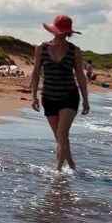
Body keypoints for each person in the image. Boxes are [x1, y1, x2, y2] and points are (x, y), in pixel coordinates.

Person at [29, 14, 90, 172]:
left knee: (62, 133)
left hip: (69, 96)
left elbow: (80, 76)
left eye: (62, 32)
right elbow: (35, 73)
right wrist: (33, 96)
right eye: (57, 31)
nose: (59, 34)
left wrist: (85, 100)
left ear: (68, 33)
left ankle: (57, 169)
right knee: (59, 136)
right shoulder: (41, 48)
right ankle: (72, 165)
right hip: (49, 97)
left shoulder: (74, 51)